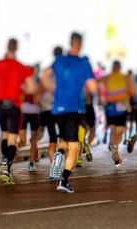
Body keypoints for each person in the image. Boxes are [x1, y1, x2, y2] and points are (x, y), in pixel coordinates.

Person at [42, 32, 98, 193]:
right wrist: (100, 94)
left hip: (58, 109)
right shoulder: (83, 63)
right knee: (75, 146)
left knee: (65, 138)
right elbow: (92, 87)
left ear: (70, 43)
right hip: (75, 108)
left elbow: (45, 76)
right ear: (80, 45)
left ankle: (59, 152)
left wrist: (53, 90)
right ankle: (64, 180)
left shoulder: (59, 60)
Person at [0, 38, 36, 184]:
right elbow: (32, 88)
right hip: (13, 106)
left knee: (4, 134)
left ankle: (3, 163)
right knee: (12, 139)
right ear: (17, 49)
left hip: (0, 106)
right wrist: (21, 88)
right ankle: (5, 167)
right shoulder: (22, 67)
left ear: (6, 48)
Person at [99, 60, 137, 168]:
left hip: (110, 106)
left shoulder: (106, 78)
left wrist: (101, 97)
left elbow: (96, 85)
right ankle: (115, 149)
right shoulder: (126, 77)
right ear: (120, 67)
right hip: (121, 107)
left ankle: (114, 150)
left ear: (112, 67)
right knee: (119, 132)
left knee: (112, 130)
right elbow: (134, 91)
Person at [39, 46, 62, 166]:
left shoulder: (47, 70)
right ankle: (62, 160)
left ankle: (54, 166)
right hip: (62, 108)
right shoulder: (64, 70)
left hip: (47, 108)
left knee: (52, 138)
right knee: (64, 138)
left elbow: (40, 90)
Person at [18, 74, 40, 173]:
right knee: (23, 141)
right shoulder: (22, 85)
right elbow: (20, 99)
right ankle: (13, 152)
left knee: (34, 140)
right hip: (23, 114)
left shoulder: (36, 84)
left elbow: (37, 100)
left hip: (35, 114)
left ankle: (31, 163)